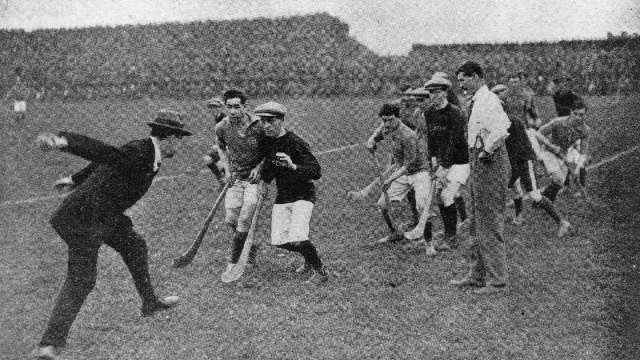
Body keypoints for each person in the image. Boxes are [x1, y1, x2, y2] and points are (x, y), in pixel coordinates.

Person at [33, 110, 192, 360]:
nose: (180, 145)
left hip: (104, 214)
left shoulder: (147, 151)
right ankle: (48, 344)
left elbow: (107, 161)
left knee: (135, 246)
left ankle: (150, 302)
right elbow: (105, 153)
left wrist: (75, 178)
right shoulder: (140, 152)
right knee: (82, 280)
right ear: (171, 137)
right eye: (180, 138)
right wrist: (65, 142)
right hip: (83, 219)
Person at [451, 61, 511, 295]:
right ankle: (477, 274)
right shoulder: (476, 100)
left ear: (476, 77)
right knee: (476, 221)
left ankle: (497, 281)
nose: (462, 84)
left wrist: (487, 150)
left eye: (464, 79)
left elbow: (502, 127)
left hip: (490, 162)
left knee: (488, 223)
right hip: (478, 160)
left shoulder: (488, 100)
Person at [255, 101, 329, 284]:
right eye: (263, 121)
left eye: (270, 121)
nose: (266, 126)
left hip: (303, 195)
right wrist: (264, 182)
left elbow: (316, 171)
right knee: (279, 241)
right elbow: (270, 165)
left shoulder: (295, 143)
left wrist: (293, 166)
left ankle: (321, 271)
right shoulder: (266, 141)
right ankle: (308, 258)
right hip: (283, 195)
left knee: (297, 236)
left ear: (281, 121)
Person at [492, 84, 571, 237]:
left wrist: (525, 165)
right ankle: (503, 222)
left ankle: (562, 222)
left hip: (523, 163)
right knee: (498, 189)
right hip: (512, 163)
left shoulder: (513, 122)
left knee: (535, 195)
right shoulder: (497, 123)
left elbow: (523, 149)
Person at [366, 103, 436, 254]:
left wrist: (390, 179)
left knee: (422, 206)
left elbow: (408, 164)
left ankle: (429, 244)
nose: (386, 124)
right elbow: (377, 134)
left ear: (398, 118)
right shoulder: (386, 127)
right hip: (402, 170)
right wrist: (371, 140)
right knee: (383, 204)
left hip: (419, 171)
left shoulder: (408, 135)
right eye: (384, 120)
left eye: (390, 120)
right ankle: (395, 233)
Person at [215, 89, 265, 277]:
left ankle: (233, 262)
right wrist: (227, 170)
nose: (233, 111)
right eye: (229, 107)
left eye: (237, 107)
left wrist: (259, 167)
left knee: (244, 220)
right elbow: (221, 148)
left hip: (255, 181)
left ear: (245, 106)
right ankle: (251, 246)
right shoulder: (222, 127)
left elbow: (270, 151)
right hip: (236, 179)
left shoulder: (259, 125)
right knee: (231, 221)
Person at [418, 77, 470, 251]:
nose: (434, 96)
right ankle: (451, 232)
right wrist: (433, 160)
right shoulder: (429, 113)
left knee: (447, 195)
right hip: (442, 161)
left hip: (460, 161)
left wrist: (444, 167)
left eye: (438, 91)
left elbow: (455, 142)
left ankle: (452, 238)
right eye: (431, 92)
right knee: (441, 196)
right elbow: (432, 140)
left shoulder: (455, 113)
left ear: (446, 92)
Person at [537, 98, 591, 202]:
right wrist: (551, 147)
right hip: (548, 150)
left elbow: (583, 153)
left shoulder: (585, 131)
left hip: (563, 154)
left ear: (585, 115)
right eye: (575, 114)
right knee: (558, 178)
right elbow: (538, 134)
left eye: (581, 115)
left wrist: (577, 169)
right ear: (571, 112)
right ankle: (543, 202)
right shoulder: (558, 122)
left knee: (560, 182)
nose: (578, 117)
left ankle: (544, 201)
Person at [203, 96, 227, 185]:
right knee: (207, 159)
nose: (213, 109)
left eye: (216, 107)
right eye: (211, 108)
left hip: (228, 146)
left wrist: (218, 145)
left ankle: (229, 180)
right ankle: (221, 179)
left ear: (220, 107)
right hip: (221, 145)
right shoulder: (217, 118)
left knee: (220, 163)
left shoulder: (224, 119)